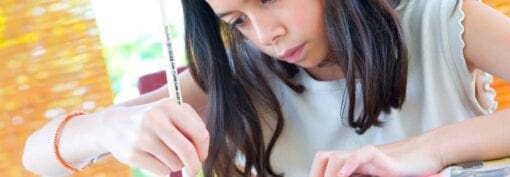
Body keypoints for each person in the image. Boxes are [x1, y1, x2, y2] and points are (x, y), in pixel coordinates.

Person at [22, 0, 510, 176]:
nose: (265, 35)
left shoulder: (440, 21)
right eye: (238, 20)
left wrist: (424, 151)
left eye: (270, 0)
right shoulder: (240, 78)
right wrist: (108, 127)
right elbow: (35, 156)